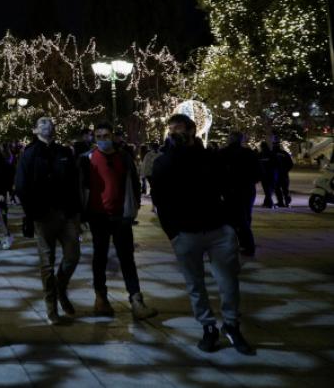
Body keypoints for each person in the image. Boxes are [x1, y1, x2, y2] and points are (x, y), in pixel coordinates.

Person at [151, 114, 255, 355]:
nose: (174, 133)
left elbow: (228, 190)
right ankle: (208, 326)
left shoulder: (211, 157)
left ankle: (231, 324)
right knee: (195, 284)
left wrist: (233, 225)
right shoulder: (164, 162)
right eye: (171, 129)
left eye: (179, 128)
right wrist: (173, 234)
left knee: (228, 282)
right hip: (186, 234)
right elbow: (160, 199)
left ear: (192, 130)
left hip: (218, 230)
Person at [79, 122, 157, 320]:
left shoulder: (124, 157)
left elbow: (134, 183)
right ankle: (101, 298)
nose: (102, 140)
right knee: (100, 257)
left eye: (106, 135)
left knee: (127, 258)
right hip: (98, 216)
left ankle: (136, 299)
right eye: (98, 136)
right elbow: (81, 186)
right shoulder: (87, 159)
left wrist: (134, 206)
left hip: (121, 216)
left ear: (113, 136)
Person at [14, 117, 81, 323]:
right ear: (35, 130)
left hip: (66, 213)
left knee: (72, 255)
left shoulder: (64, 152)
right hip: (42, 215)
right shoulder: (29, 154)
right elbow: (21, 185)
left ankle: (60, 286)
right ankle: (51, 307)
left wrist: (77, 212)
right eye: (42, 123)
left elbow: (74, 183)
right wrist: (32, 212)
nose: (47, 125)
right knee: (47, 262)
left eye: (50, 122)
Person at [219, 132, 261, 256]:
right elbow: (259, 173)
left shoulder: (223, 153)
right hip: (247, 189)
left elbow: (216, 172)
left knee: (230, 218)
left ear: (230, 139)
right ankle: (246, 244)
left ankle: (236, 243)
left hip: (230, 190)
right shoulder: (249, 153)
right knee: (245, 217)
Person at [271, 138, 293, 207]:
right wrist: (286, 170)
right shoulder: (284, 153)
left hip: (277, 175)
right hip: (283, 174)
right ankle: (286, 202)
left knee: (278, 189)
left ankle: (281, 202)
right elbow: (290, 164)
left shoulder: (272, 154)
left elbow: (270, 164)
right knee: (284, 189)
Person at [257, 142, 277, 208]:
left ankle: (269, 203)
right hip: (272, 174)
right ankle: (267, 203)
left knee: (267, 189)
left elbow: (257, 165)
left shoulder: (260, 154)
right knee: (270, 189)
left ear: (261, 147)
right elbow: (277, 164)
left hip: (264, 175)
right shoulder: (272, 154)